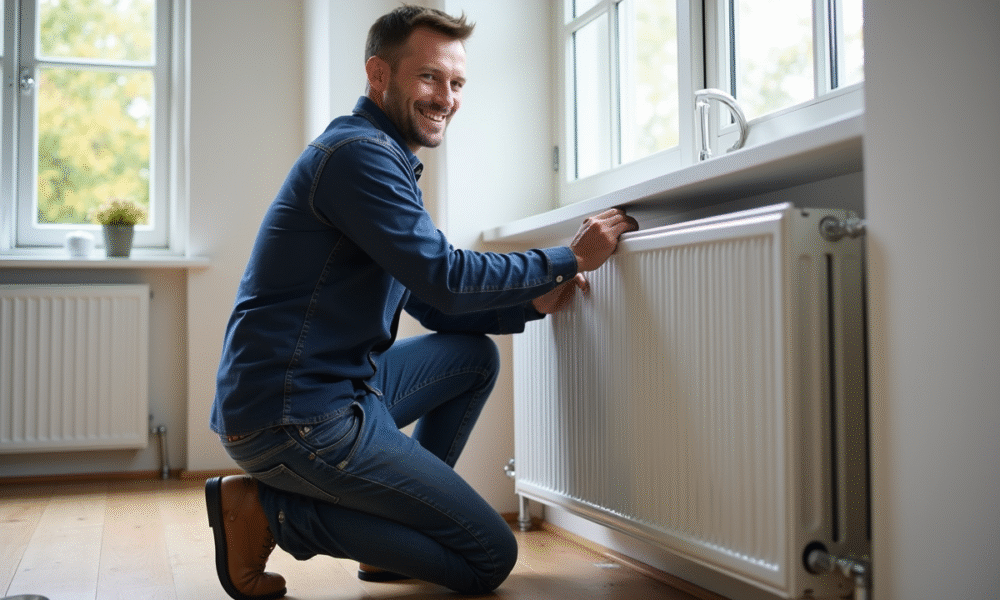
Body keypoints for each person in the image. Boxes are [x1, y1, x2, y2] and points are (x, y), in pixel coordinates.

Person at [204, 5, 638, 600]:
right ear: (378, 75)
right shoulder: (358, 157)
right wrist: (570, 257)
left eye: (457, 83)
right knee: (489, 556)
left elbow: (434, 305)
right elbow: (446, 276)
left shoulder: (384, 159)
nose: (446, 98)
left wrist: (532, 304)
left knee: (472, 357)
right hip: (295, 413)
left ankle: (389, 544)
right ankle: (271, 512)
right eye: (429, 77)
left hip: (326, 390)